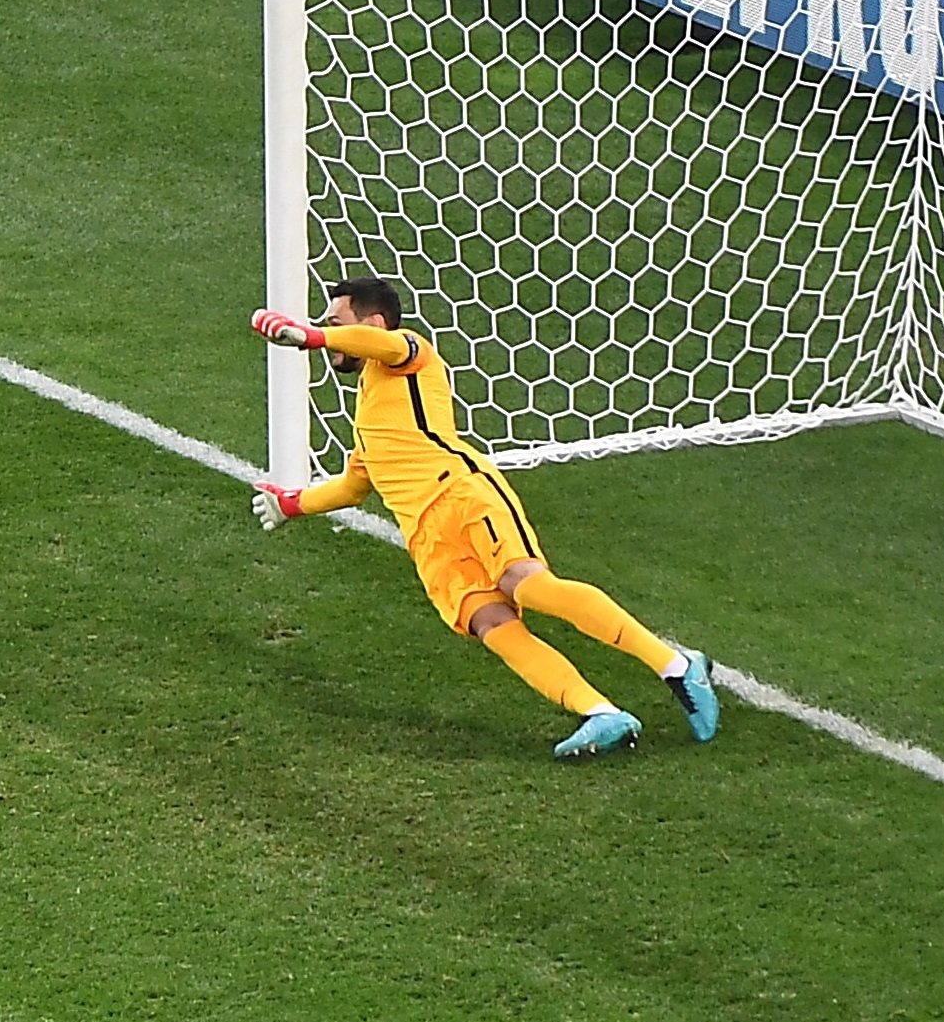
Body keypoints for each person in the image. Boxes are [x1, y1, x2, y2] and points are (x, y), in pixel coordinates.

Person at [249, 280, 720, 759]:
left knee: (527, 585)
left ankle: (676, 664)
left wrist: (310, 338)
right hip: (429, 542)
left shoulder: (409, 355)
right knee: (493, 624)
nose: (327, 328)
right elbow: (354, 485)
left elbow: (387, 344)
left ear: (370, 323)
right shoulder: (369, 405)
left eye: (336, 320)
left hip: (463, 495)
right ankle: (600, 713)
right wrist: (292, 504)